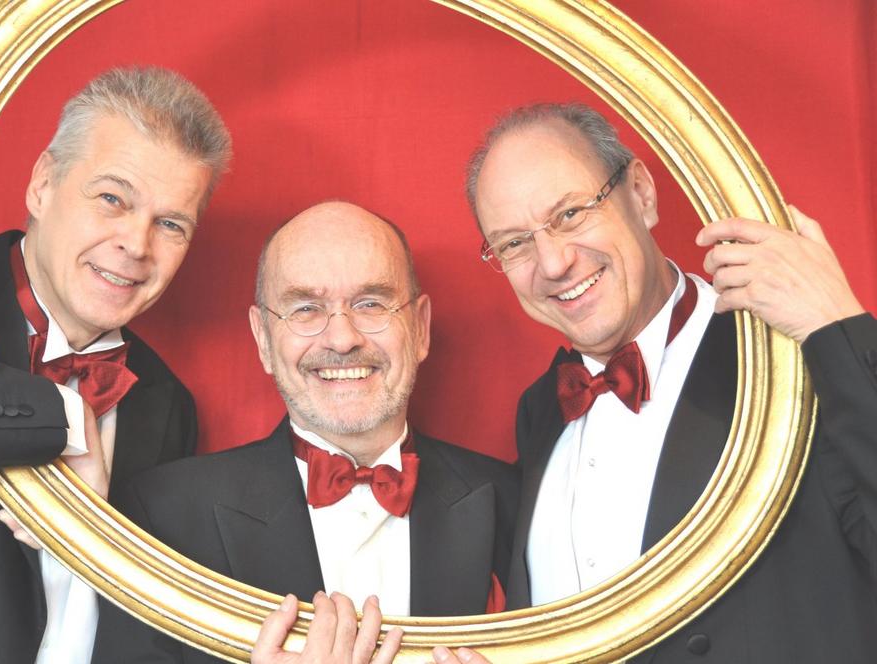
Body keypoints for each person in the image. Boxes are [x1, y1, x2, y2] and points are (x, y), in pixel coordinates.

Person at [437, 102, 876, 663]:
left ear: (641, 194)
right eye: (514, 243)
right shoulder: (541, 410)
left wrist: (838, 326)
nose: (552, 263)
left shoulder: (790, 357)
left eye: (570, 213)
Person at [0, 66, 232, 664]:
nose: (137, 245)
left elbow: (137, 613)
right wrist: (63, 420)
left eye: (170, 224)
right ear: (43, 185)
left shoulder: (166, 401)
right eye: (112, 199)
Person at [91, 201, 518, 663]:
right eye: (306, 309)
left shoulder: (514, 503)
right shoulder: (161, 518)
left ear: (420, 328)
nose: (342, 339)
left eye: (371, 303)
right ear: (263, 339)